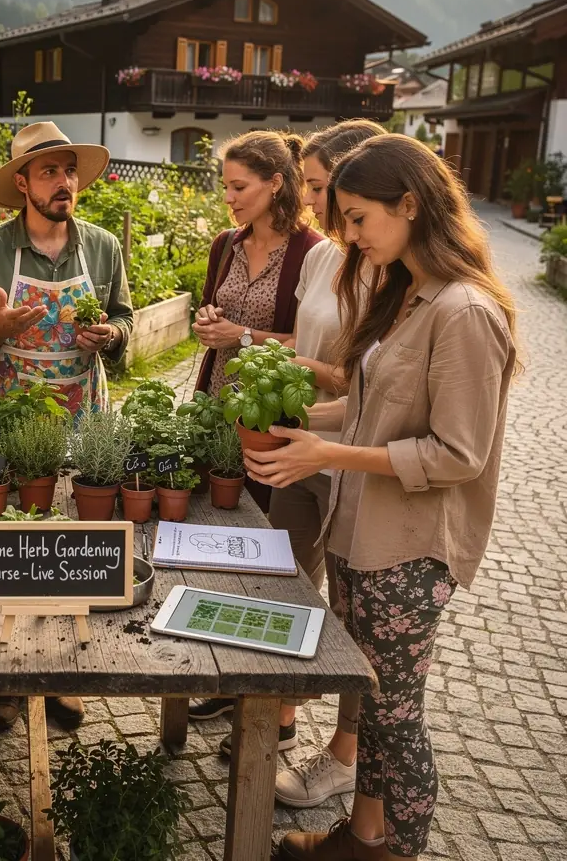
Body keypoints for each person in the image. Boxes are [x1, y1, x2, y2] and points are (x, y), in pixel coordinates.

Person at [245, 134, 516, 861]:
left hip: (410, 550)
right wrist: (295, 424)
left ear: (411, 204)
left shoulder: (464, 311)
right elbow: (370, 407)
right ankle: (362, 835)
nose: (350, 236)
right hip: (361, 533)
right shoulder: (406, 294)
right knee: (372, 704)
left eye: (360, 218)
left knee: (396, 717)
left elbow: (461, 455)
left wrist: (328, 452)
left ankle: (392, 851)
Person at [0, 120, 134, 732]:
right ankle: (2, 679)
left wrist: (110, 335)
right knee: (9, 542)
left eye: (69, 170)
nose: (64, 182)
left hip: (84, 409)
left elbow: (126, 318)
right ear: (22, 182)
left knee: (72, 541)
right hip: (10, 412)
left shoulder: (103, 247)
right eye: (49, 171)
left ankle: (60, 675)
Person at [266, 121, 386, 802]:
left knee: (351, 612)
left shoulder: (390, 272)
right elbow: (307, 347)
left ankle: (345, 753)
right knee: (281, 577)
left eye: (319, 187)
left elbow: (363, 384)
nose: (310, 203)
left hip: (349, 459)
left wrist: (298, 369)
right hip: (300, 447)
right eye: (309, 186)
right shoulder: (321, 259)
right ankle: (276, 716)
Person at [187, 129, 322, 726]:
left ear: (276, 183)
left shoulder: (311, 252)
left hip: (271, 423)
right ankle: (224, 679)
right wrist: (211, 320)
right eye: (225, 187)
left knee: (269, 557)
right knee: (219, 544)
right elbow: (214, 314)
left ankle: (275, 712)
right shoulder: (226, 245)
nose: (229, 198)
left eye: (239, 187)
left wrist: (241, 336)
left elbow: (312, 347)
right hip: (220, 411)